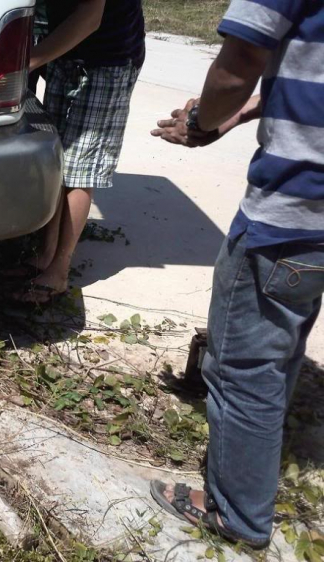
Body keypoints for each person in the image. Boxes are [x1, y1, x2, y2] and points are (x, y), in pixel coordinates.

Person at [149, 0, 324, 549]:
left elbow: (243, 54)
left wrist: (203, 121)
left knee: (244, 368)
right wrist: (248, 110)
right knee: (283, 344)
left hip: (294, 212)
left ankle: (235, 516)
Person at [7, 0, 145, 304]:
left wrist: (28, 60)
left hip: (107, 63)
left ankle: (59, 270)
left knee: (80, 171)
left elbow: (89, 17)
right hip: (67, 53)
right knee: (58, 160)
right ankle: (45, 256)